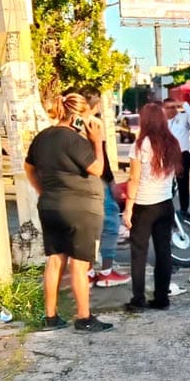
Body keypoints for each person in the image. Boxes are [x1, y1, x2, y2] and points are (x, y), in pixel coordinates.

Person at [24, 93, 113, 333]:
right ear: (76, 115)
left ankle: (50, 317)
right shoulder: (74, 140)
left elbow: (28, 167)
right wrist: (97, 141)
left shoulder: (42, 137)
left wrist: (42, 190)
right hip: (80, 208)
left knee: (55, 260)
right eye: (85, 117)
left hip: (50, 205)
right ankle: (84, 318)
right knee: (79, 264)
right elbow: (97, 169)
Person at [123, 103, 183, 312]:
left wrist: (128, 208)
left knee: (139, 253)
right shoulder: (172, 143)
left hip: (144, 205)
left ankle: (138, 300)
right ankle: (161, 298)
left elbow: (134, 178)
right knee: (164, 252)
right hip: (165, 204)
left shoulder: (140, 145)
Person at [79, 86, 131, 288]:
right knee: (109, 224)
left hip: (78, 183)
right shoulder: (93, 124)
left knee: (88, 228)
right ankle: (107, 271)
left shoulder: (71, 124)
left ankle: (89, 271)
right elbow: (102, 158)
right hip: (96, 180)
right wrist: (111, 182)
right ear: (94, 103)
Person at [163, 98, 190, 224]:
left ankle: (184, 210)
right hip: (167, 156)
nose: (170, 110)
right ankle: (167, 212)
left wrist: (183, 104)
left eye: (172, 107)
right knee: (166, 185)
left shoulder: (183, 117)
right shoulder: (162, 122)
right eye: (167, 108)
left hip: (182, 154)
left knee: (183, 184)